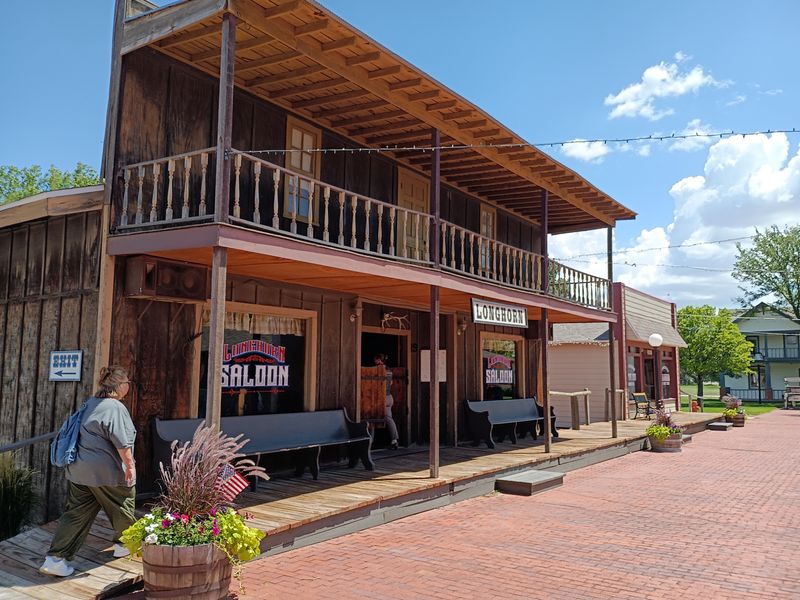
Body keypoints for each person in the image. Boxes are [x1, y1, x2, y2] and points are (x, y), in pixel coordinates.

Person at [40, 366, 137, 577]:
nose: (128, 386)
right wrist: (130, 466)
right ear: (120, 386)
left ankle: (55, 559)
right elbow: (122, 442)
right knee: (124, 502)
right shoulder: (115, 408)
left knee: (75, 513)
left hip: (79, 470)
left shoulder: (90, 404)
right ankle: (126, 544)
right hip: (105, 472)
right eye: (127, 383)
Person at [374, 354, 399, 450]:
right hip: (389, 397)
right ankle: (394, 440)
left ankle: (369, 441)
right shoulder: (389, 370)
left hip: (381, 398)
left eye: (375, 360)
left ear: (379, 360)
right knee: (389, 419)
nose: (374, 362)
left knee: (370, 418)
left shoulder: (378, 370)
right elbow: (391, 383)